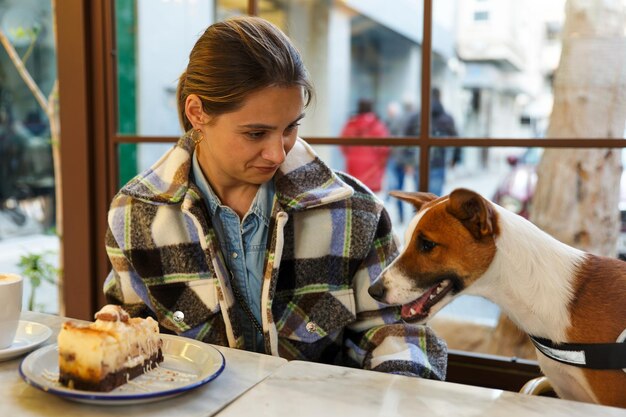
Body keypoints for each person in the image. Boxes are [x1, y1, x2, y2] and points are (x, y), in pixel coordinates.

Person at [103, 16, 446, 379]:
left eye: (290, 127)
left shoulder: (353, 211)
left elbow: (396, 329)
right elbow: (130, 337)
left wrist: (404, 390)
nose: (277, 153)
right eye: (256, 133)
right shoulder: (135, 214)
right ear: (197, 113)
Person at [340, 99, 391, 193]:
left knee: (354, 190)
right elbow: (384, 147)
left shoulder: (350, 123)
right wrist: (382, 160)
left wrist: (350, 155)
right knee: (371, 194)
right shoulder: (377, 124)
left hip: (353, 162)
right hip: (373, 164)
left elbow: (343, 144)